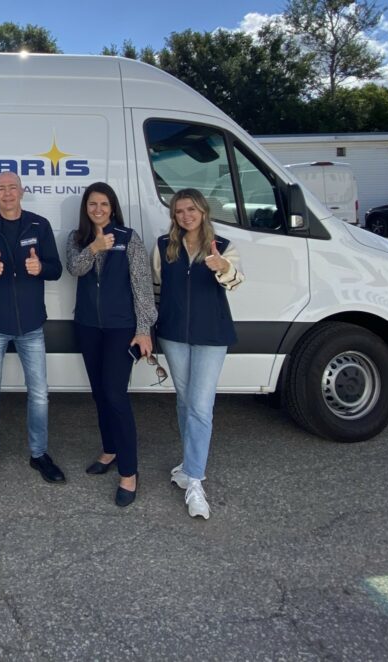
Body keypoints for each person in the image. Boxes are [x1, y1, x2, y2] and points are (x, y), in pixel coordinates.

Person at [152, 188, 244, 520]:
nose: (186, 216)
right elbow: (156, 288)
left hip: (212, 336)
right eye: (179, 211)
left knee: (201, 406)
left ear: (203, 211)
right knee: (185, 401)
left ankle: (194, 481)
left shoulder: (224, 246)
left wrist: (220, 266)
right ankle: (188, 464)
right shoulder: (164, 246)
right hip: (174, 334)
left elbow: (235, 282)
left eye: (191, 209)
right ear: (174, 216)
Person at [0, 171, 64, 485]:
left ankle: (39, 454)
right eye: (1, 188)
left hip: (31, 325)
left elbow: (56, 269)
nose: (7, 193)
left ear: (22, 191)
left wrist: (41, 268)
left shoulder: (39, 225)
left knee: (39, 395)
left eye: (12, 187)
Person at [66, 182, 157, 507]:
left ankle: (129, 473)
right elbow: (74, 268)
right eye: (92, 204)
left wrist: (144, 328)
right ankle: (110, 450)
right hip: (89, 326)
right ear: (86, 208)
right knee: (99, 393)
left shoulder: (129, 239)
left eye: (104, 204)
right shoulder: (77, 240)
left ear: (113, 207)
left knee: (116, 395)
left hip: (122, 328)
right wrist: (94, 247)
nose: (98, 209)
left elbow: (142, 287)